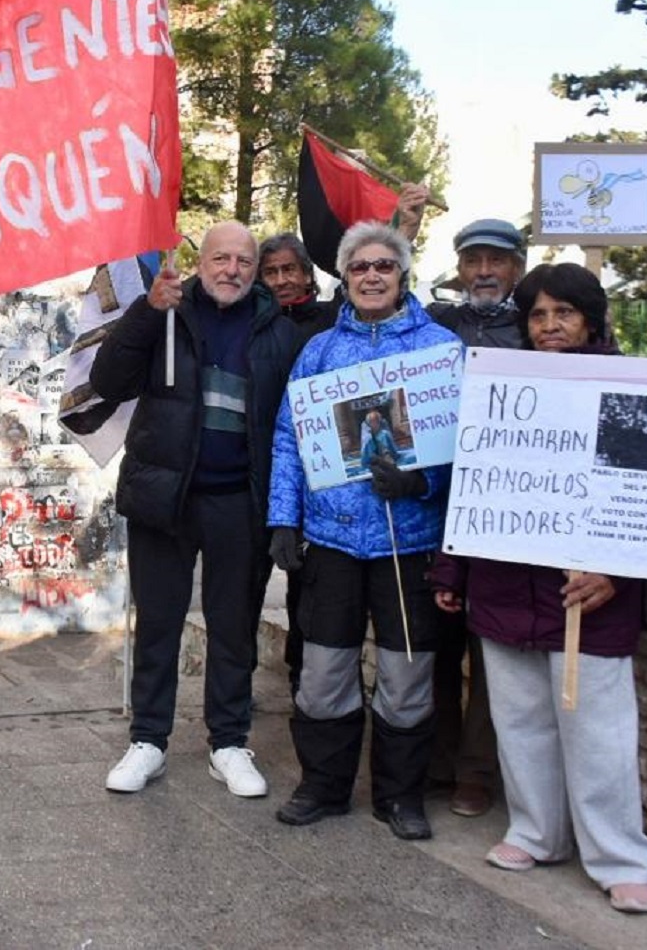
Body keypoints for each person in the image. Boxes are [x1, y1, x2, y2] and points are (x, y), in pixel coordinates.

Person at [430, 262, 647, 916]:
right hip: (506, 585)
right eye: (538, 313)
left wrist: (617, 569)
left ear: (591, 318)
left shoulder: (632, 391)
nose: (550, 324)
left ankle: (622, 858)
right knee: (521, 721)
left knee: (599, 732)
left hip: (589, 595)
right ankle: (536, 830)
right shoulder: (503, 387)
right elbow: (472, 480)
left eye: (563, 312)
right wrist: (454, 570)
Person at [88, 221, 302, 798]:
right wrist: (144, 312)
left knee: (233, 628)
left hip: (239, 502)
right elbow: (108, 380)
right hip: (166, 499)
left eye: (244, 261)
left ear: (255, 270)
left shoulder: (277, 332)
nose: (231, 270)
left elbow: (291, 429)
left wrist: (286, 512)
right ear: (200, 263)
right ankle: (148, 741)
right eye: (220, 259)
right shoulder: (165, 313)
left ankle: (229, 743)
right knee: (158, 623)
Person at [268, 220, 459, 841]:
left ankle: (400, 796)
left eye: (383, 265)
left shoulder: (440, 349)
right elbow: (288, 440)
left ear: (402, 275)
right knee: (323, 673)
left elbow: (465, 449)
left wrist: (419, 484)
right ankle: (323, 786)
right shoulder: (319, 351)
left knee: (406, 675)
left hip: (411, 542)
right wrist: (282, 517)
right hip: (333, 539)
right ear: (344, 278)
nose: (371, 275)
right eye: (359, 267)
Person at [421, 215, 527, 819]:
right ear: (459, 268)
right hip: (434, 498)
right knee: (434, 637)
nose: (484, 272)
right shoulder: (437, 325)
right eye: (473, 261)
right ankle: (435, 761)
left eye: (496, 261)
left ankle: (476, 771)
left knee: (490, 645)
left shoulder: (535, 329)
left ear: (516, 267)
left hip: (502, 506)